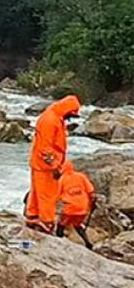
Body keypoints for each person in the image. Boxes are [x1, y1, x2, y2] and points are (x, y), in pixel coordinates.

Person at [26, 95, 82, 232]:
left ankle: (32, 216)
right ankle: (47, 222)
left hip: (40, 163)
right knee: (48, 195)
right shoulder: (50, 121)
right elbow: (45, 148)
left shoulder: (54, 116)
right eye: (71, 115)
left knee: (37, 191)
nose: (70, 118)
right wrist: (55, 166)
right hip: (45, 166)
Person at [56, 161, 97, 249]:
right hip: (83, 207)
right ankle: (88, 243)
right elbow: (91, 191)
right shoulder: (81, 176)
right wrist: (92, 203)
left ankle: (58, 241)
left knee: (61, 223)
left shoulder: (62, 179)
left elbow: (56, 194)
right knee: (77, 225)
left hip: (70, 207)